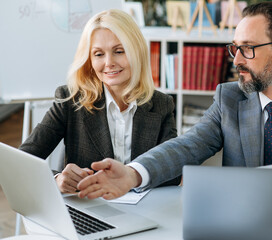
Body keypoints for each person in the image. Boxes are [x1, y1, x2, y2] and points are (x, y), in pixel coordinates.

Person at [77, 2, 272, 216]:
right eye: (234, 48)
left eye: (248, 48)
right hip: (244, 225)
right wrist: (132, 173)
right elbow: (187, 146)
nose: (236, 60)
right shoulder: (229, 99)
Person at [20, 9, 181, 193]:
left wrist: (134, 177)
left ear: (136, 51)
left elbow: (173, 173)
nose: (109, 62)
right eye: (98, 54)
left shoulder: (161, 104)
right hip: (88, 209)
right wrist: (56, 180)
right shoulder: (70, 100)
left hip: (142, 211)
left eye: (119, 51)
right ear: (89, 59)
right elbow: (23, 161)